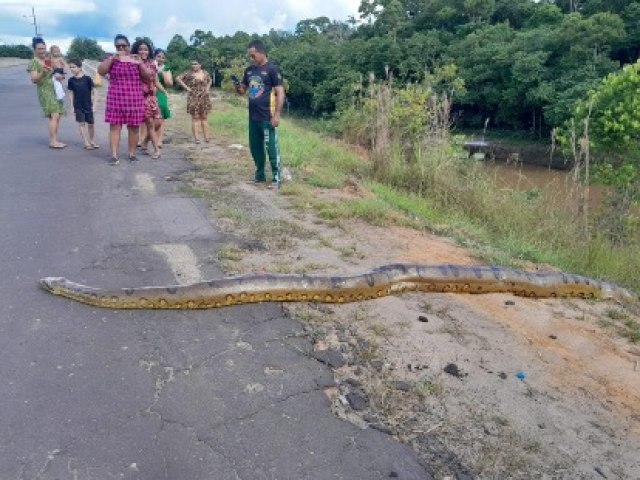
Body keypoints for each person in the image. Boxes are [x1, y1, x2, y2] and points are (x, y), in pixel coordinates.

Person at [233, 39, 285, 188]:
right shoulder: (249, 70)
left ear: (261, 52)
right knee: (255, 147)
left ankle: (276, 178)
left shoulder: (272, 70)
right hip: (253, 117)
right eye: (250, 55)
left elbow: (280, 93)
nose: (251, 58)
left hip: (267, 117)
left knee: (272, 148)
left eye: (253, 55)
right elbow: (243, 91)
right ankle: (260, 175)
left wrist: (277, 115)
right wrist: (237, 86)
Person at [97, 34, 152, 165]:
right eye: (118, 46)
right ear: (115, 47)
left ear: (129, 45)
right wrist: (111, 59)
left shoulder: (135, 59)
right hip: (115, 98)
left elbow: (148, 76)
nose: (121, 48)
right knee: (115, 127)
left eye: (124, 45)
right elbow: (101, 71)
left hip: (134, 99)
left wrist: (140, 63)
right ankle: (114, 155)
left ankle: (132, 154)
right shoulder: (111, 59)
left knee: (133, 128)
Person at [27, 37, 66, 149]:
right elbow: (34, 79)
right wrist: (43, 72)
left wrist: (60, 75)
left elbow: (59, 73)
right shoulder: (34, 62)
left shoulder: (48, 60)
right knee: (54, 114)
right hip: (45, 91)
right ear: (34, 49)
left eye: (43, 48)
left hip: (55, 89)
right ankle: (53, 142)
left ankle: (55, 140)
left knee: (57, 116)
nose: (42, 51)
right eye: (39, 49)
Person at [131, 39, 165, 159]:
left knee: (158, 122)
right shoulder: (132, 62)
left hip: (151, 97)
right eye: (140, 49)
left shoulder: (152, 63)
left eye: (145, 49)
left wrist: (163, 91)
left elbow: (155, 80)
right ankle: (156, 150)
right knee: (150, 123)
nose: (143, 51)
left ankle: (145, 141)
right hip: (139, 97)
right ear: (136, 50)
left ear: (149, 50)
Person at [176, 59, 212, 143]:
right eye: (192, 64)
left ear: (200, 65)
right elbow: (178, 78)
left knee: (204, 117)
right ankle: (197, 138)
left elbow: (210, 80)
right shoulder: (189, 73)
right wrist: (187, 88)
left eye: (196, 64)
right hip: (193, 97)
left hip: (204, 97)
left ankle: (207, 137)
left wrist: (207, 89)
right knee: (195, 117)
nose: (194, 66)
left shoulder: (205, 73)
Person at [67, 58, 98, 150]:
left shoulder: (87, 79)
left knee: (91, 124)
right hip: (78, 105)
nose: (72, 69)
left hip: (88, 105)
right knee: (81, 124)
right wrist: (72, 106)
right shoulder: (71, 80)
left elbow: (95, 91)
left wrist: (95, 105)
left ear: (80, 68)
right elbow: (71, 93)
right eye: (70, 67)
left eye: (74, 67)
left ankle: (91, 141)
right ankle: (86, 142)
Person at [154, 48, 173, 147]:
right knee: (147, 118)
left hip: (161, 94)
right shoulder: (149, 65)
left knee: (160, 118)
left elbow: (170, 84)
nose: (160, 59)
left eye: (163, 57)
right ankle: (144, 140)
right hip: (149, 93)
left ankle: (159, 140)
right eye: (158, 56)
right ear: (154, 56)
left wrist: (163, 73)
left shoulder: (166, 68)